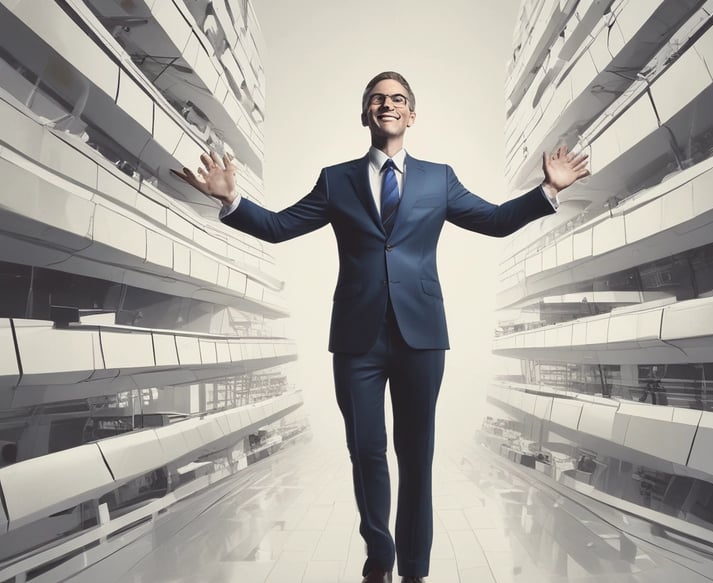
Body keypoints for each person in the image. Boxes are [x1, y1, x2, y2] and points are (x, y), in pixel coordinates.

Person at [173, 71, 588, 583]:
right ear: (364, 114)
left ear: (412, 114)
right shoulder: (336, 179)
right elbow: (280, 228)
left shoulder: (440, 178)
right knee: (365, 450)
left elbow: (496, 220)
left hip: (421, 336)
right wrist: (229, 200)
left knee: (416, 455)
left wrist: (548, 189)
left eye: (397, 99)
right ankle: (380, 557)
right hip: (356, 338)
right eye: (376, 99)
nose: (386, 105)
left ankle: (415, 568)